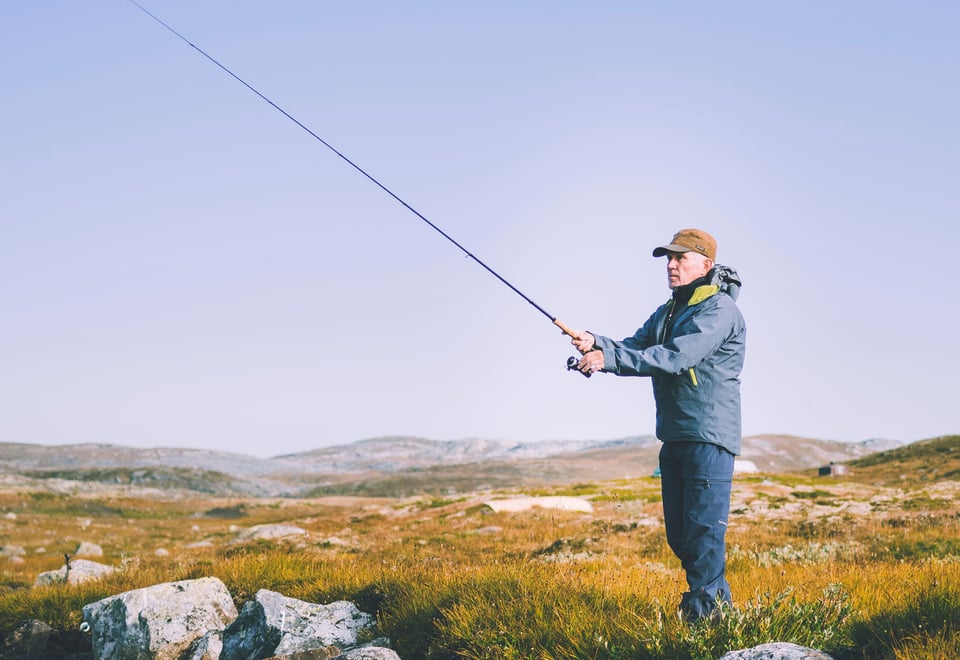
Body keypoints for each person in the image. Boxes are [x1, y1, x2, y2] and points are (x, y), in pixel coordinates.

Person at [570, 228, 745, 622]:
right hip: (675, 435)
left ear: (706, 264)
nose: (671, 264)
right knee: (682, 537)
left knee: (703, 536)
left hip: (709, 437)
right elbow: (635, 346)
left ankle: (706, 619)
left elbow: (675, 357)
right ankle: (715, 612)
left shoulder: (719, 310)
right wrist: (595, 342)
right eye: (669, 257)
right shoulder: (669, 311)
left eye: (680, 257)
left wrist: (607, 360)